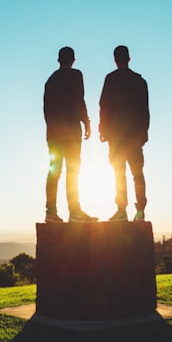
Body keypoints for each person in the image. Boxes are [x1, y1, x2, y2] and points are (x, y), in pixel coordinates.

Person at [44, 47, 97, 223]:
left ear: (58, 60)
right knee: (73, 170)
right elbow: (78, 101)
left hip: (53, 133)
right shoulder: (75, 75)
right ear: (73, 60)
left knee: (54, 171)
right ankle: (74, 212)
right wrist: (87, 122)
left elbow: (46, 110)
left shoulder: (50, 81)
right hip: (71, 132)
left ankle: (50, 212)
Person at [99, 45, 149, 221]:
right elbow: (145, 110)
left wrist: (102, 129)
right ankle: (140, 211)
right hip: (134, 136)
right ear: (129, 58)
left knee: (119, 174)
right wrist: (144, 133)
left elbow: (103, 106)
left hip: (116, 136)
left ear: (114, 59)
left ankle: (121, 210)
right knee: (137, 174)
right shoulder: (139, 81)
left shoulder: (111, 79)